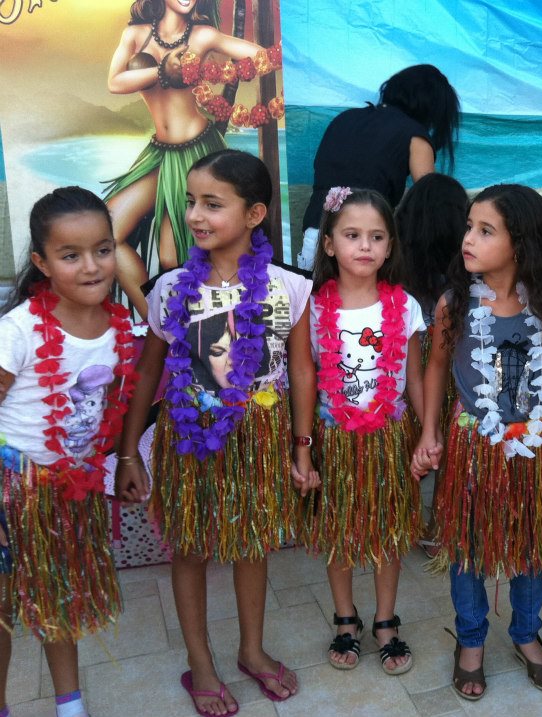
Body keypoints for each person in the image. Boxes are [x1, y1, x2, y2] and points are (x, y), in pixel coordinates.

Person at [115, 150, 312, 715]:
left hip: (260, 434)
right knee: (190, 545)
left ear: (254, 214)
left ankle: (252, 650)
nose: (195, 215)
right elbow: (148, 371)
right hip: (188, 435)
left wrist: (302, 447)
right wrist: (128, 453)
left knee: (253, 541)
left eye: (212, 203)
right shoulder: (170, 287)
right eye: (190, 202)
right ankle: (200, 662)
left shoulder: (289, 287)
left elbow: (301, 371)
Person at [411, 184, 542, 701]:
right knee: (468, 546)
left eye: (486, 231)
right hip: (474, 445)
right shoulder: (455, 304)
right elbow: (436, 368)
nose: (469, 238)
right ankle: (470, 640)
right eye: (469, 227)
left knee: (529, 542)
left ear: (521, 243)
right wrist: (429, 432)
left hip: (534, 443)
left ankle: (527, 632)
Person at [0, 187, 136, 717]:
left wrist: (125, 460)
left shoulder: (118, 328)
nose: (91, 266)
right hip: (14, 491)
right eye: (70, 255)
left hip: (70, 491)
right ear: (42, 262)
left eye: (103, 250)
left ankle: (69, 704)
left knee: (61, 596)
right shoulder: (19, 331)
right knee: (3, 608)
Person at [294, 186, 425, 676]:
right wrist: (303, 448)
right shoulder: (312, 308)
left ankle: (386, 620)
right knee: (339, 530)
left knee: (389, 531)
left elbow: (414, 378)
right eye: (352, 235)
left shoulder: (405, 306)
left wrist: (427, 434)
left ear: (390, 246)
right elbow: (304, 380)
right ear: (329, 244)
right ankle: (346, 617)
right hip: (335, 440)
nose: (365, 245)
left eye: (377, 236)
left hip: (389, 438)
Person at [106, 0, 277, 317]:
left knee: (172, 258)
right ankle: (160, 322)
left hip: (199, 153)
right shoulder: (135, 35)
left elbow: (262, 57)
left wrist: (211, 71)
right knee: (107, 232)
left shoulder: (202, 35)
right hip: (161, 154)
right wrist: (161, 70)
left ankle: (206, 322)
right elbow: (114, 82)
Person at [298, 64, 461, 269]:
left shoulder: (344, 119)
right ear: (432, 106)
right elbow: (430, 202)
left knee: (313, 291)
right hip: (365, 244)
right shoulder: (414, 135)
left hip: (317, 235)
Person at [393, 172, 469, 556]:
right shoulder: (460, 273)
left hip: (404, 362)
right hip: (441, 362)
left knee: (411, 441)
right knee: (445, 442)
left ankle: (404, 519)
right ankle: (439, 527)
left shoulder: (397, 264)